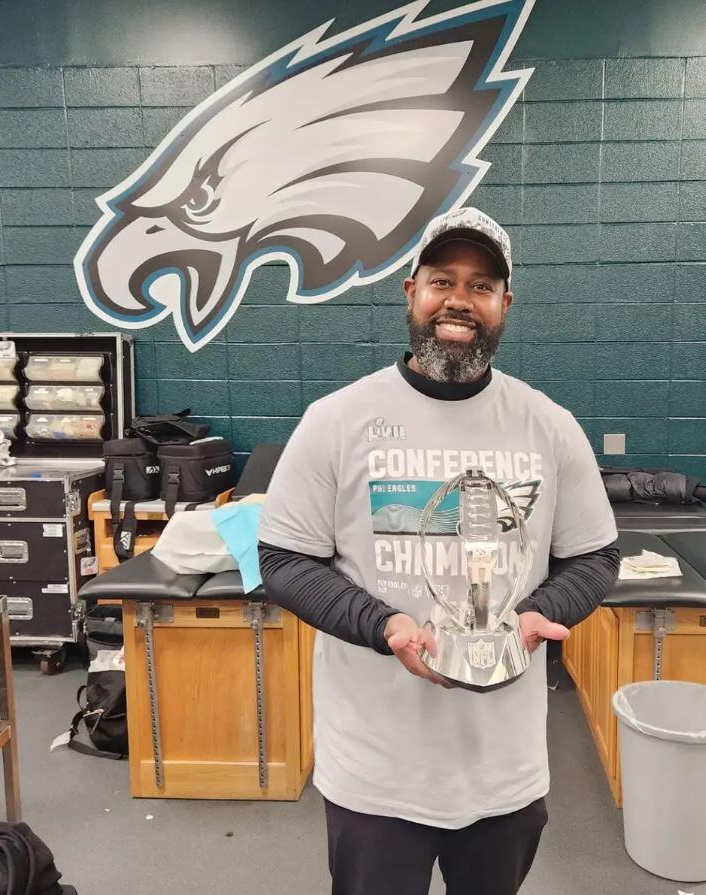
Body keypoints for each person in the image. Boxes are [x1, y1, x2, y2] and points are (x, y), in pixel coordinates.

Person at [258, 207, 619, 895]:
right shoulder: (337, 419)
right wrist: (384, 624)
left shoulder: (548, 425)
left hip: (502, 769)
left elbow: (595, 555)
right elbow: (284, 557)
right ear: (410, 291)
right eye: (441, 280)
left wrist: (537, 612)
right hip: (374, 770)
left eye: (481, 284)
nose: (459, 299)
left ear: (504, 304)